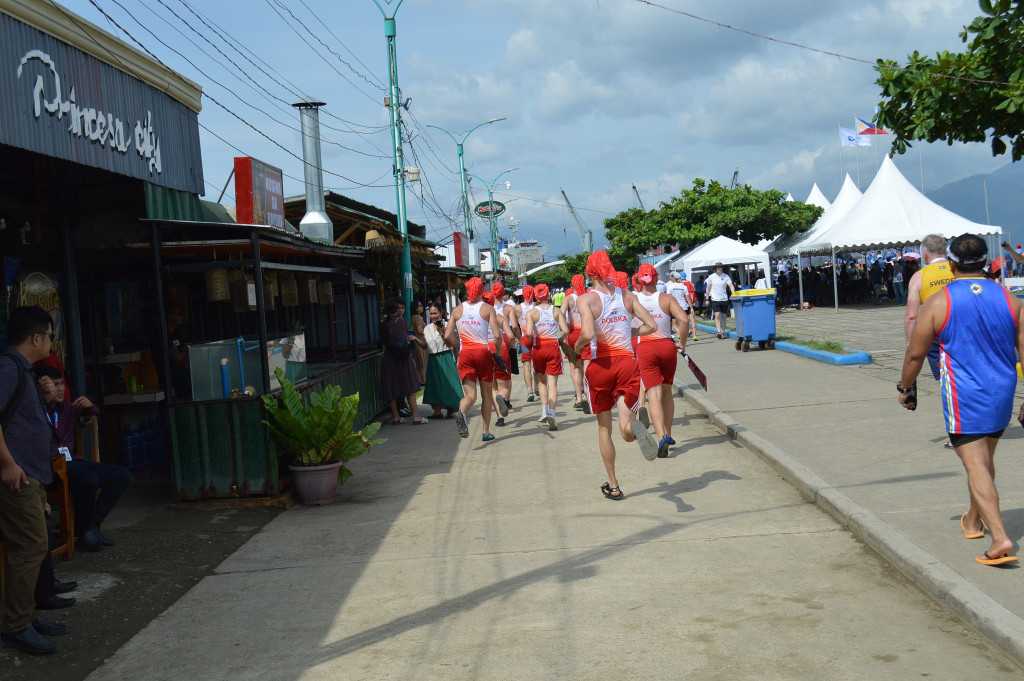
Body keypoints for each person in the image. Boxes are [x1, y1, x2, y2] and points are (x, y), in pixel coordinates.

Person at [899, 234, 1022, 566]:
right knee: (983, 461)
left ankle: (1000, 539)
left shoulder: (939, 302)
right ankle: (973, 519)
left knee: (976, 464)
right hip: (1002, 392)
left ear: (951, 264)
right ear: (985, 262)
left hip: (964, 394)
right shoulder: (1011, 300)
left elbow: (915, 354)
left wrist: (905, 388)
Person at [0, 305, 69, 654]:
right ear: (37, 337)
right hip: (16, 476)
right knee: (28, 547)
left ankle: (26, 615)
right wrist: (8, 464)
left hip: (30, 475)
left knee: (35, 545)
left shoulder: (24, 370)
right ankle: (16, 625)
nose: (51, 344)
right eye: (50, 337)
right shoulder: (8, 367)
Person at [574, 251, 659, 501]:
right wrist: (629, 333)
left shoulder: (586, 299)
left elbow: (588, 334)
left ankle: (613, 485)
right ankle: (633, 429)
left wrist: (578, 346)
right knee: (624, 430)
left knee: (604, 429)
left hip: (600, 366)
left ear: (590, 272)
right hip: (627, 363)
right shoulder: (628, 296)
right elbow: (652, 326)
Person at [36, 366, 132, 552]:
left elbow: (94, 413)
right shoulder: (37, 411)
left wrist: (89, 405)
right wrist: (45, 401)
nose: (60, 389)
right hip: (51, 467)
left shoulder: (67, 408)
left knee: (122, 475)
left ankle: (92, 523)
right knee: (89, 479)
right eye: (54, 385)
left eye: (62, 384)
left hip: (73, 462)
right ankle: (84, 530)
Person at [633, 264, 689, 457]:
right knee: (667, 393)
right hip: (666, 347)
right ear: (657, 279)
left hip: (646, 348)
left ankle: (661, 436)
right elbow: (684, 320)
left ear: (640, 280)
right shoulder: (666, 298)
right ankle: (669, 432)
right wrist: (682, 343)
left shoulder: (633, 299)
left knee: (653, 396)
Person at [445, 278, 503, 442]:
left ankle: (462, 412)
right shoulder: (488, 308)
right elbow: (497, 335)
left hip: (465, 354)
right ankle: (486, 432)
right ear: (482, 290)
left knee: (470, 395)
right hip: (483, 353)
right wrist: (497, 353)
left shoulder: (457, 310)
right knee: (486, 394)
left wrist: (459, 347)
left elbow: (447, 335)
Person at [524, 284, 569, 430]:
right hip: (553, 347)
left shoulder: (531, 313)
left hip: (539, 348)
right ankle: (552, 413)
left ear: (536, 296)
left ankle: (544, 412)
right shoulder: (556, 310)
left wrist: (531, 339)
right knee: (553, 384)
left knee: (542, 383)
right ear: (549, 295)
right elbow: (565, 330)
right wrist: (560, 339)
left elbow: (529, 333)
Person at [380, 299, 429, 426]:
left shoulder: (384, 325)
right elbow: (403, 340)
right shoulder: (401, 321)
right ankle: (416, 417)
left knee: (391, 388)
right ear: (396, 310)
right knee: (409, 388)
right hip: (403, 358)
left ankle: (396, 417)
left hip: (389, 359)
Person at [422, 303, 463, 419]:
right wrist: (415, 339)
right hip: (433, 359)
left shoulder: (447, 325)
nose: (433, 316)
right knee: (434, 384)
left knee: (448, 384)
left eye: (435, 313)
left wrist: (441, 332)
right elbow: (426, 345)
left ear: (441, 313)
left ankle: (451, 410)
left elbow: (451, 344)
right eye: (431, 313)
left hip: (445, 356)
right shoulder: (427, 328)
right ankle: (437, 411)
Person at [488, 283, 520, 428]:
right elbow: (513, 326)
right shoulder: (507, 309)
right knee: (505, 380)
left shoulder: (483, 311)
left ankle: (500, 416)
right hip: (503, 343)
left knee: (492, 386)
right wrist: (516, 340)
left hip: (485, 347)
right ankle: (505, 398)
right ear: (504, 294)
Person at [561, 274, 592, 411]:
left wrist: (564, 328)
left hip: (573, 334)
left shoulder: (568, 299)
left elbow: (561, 314)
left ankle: (579, 398)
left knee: (576, 366)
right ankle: (588, 396)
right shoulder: (588, 297)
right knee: (587, 366)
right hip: (586, 333)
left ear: (572, 284)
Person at [165, 304, 192, 401]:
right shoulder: (165, 336)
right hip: (173, 376)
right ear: (170, 317)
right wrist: (182, 353)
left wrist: (182, 353)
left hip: (183, 373)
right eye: (180, 314)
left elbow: (184, 352)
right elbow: (178, 358)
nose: (182, 316)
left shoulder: (177, 334)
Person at [515, 285, 537, 402]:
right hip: (537, 338)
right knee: (537, 364)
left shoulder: (517, 309)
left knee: (526, 366)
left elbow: (514, 325)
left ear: (523, 294)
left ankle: (530, 390)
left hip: (524, 338)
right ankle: (537, 386)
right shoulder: (537, 307)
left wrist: (518, 337)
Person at [705, 263, 735, 339]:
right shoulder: (711, 277)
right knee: (717, 315)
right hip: (715, 299)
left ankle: (723, 331)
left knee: (724, 316)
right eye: (717, 267)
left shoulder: (726, 276)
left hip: (724, 298)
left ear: (722, 268)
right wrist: (707, 299)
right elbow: (708, 288)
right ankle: (718, 332)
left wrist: (733, 294)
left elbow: (731, 286)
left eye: (720, 267)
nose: (719, 268)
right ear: (715, 268)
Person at [409, 300, 428, 386]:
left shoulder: (413, 317)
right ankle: (424, 380)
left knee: (418, 363)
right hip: (420, 340)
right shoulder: (418, 318)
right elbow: (420, 330)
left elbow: (416, 330)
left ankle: (416, 380)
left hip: (417, 340)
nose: (422, 307)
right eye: (420, 305)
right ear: (416, 309)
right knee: (422, 363)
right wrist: (429, 331)